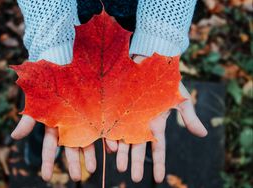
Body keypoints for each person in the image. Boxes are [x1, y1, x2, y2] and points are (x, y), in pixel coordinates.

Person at [11, 0, 208, 184]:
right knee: (49, 118)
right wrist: (53, 37)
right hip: (65, 22)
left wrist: (160, 36)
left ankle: (144, 136)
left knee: (148, 116)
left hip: (139, 21)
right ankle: (42, 144)